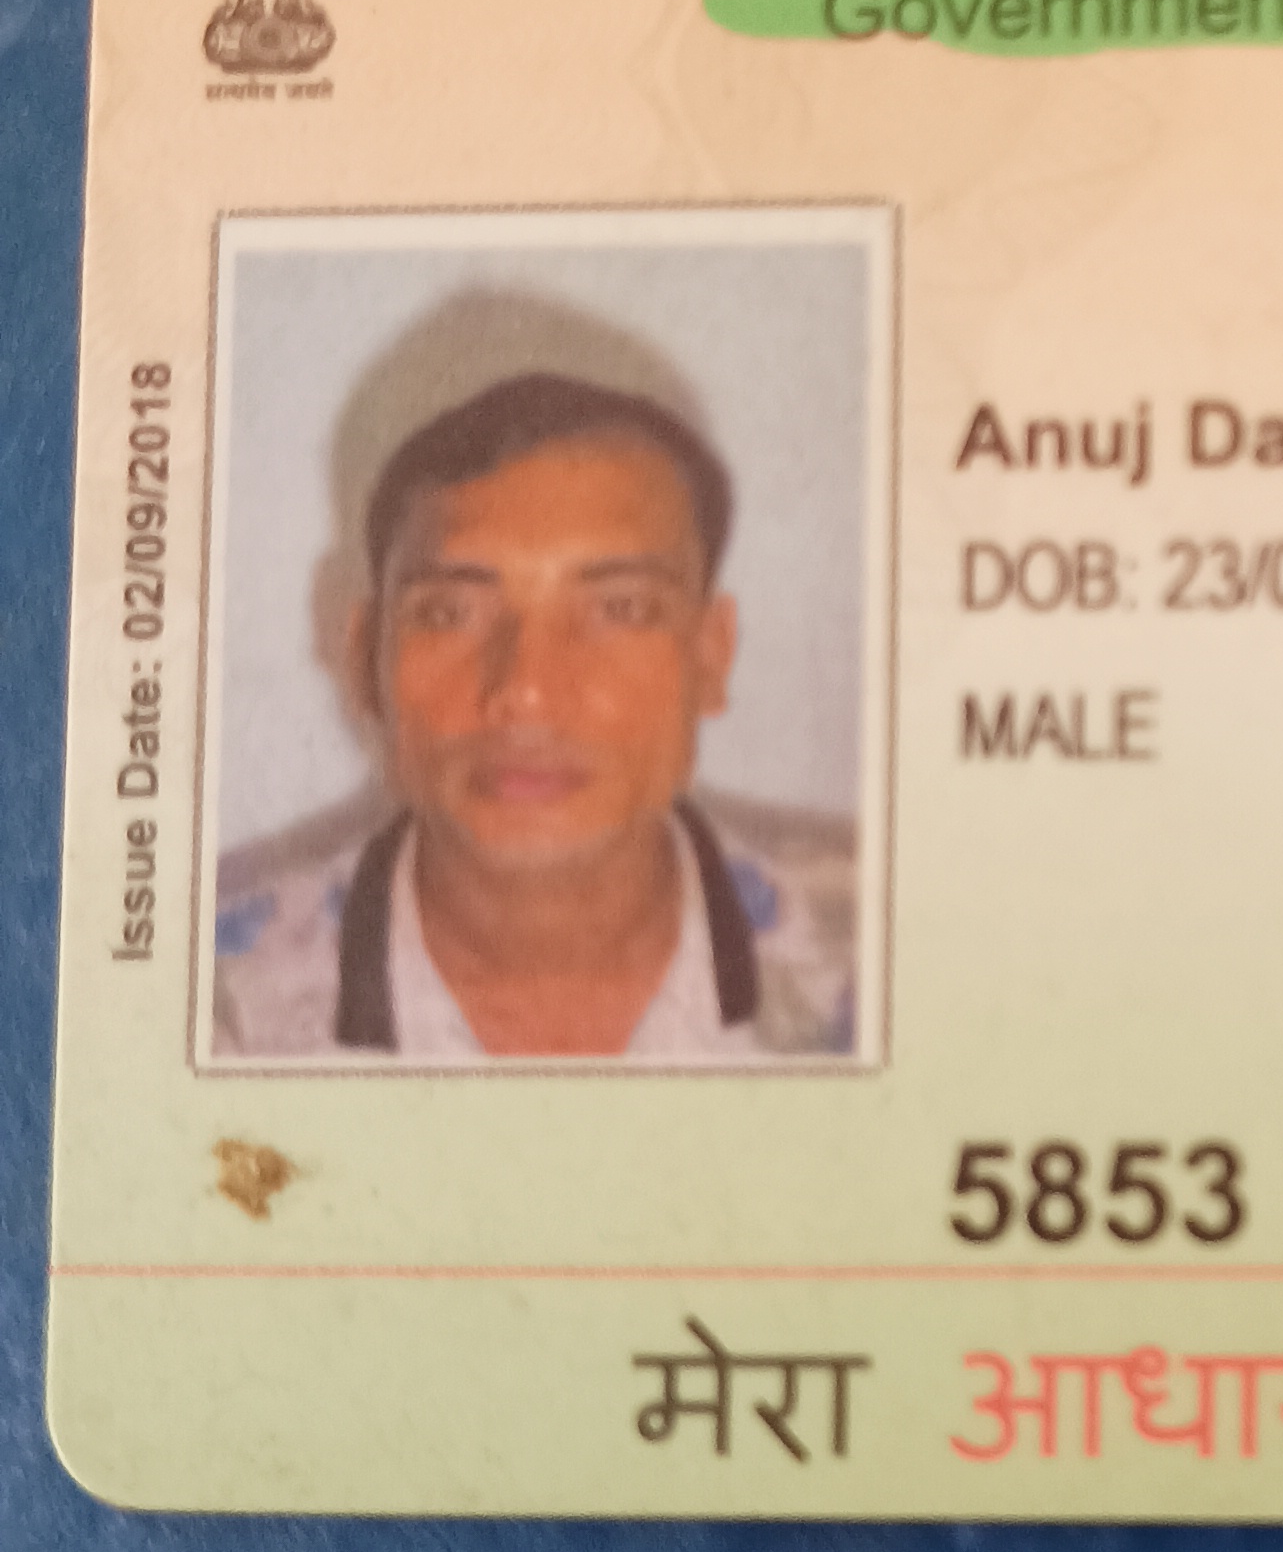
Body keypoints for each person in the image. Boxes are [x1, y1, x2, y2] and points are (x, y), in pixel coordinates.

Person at [213, 371, 859, 1059]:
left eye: (621, 609)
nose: (526, 691)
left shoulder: (886, 958)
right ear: (366, 658)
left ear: (711, 656)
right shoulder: (207, 1008)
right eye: (451, 614)